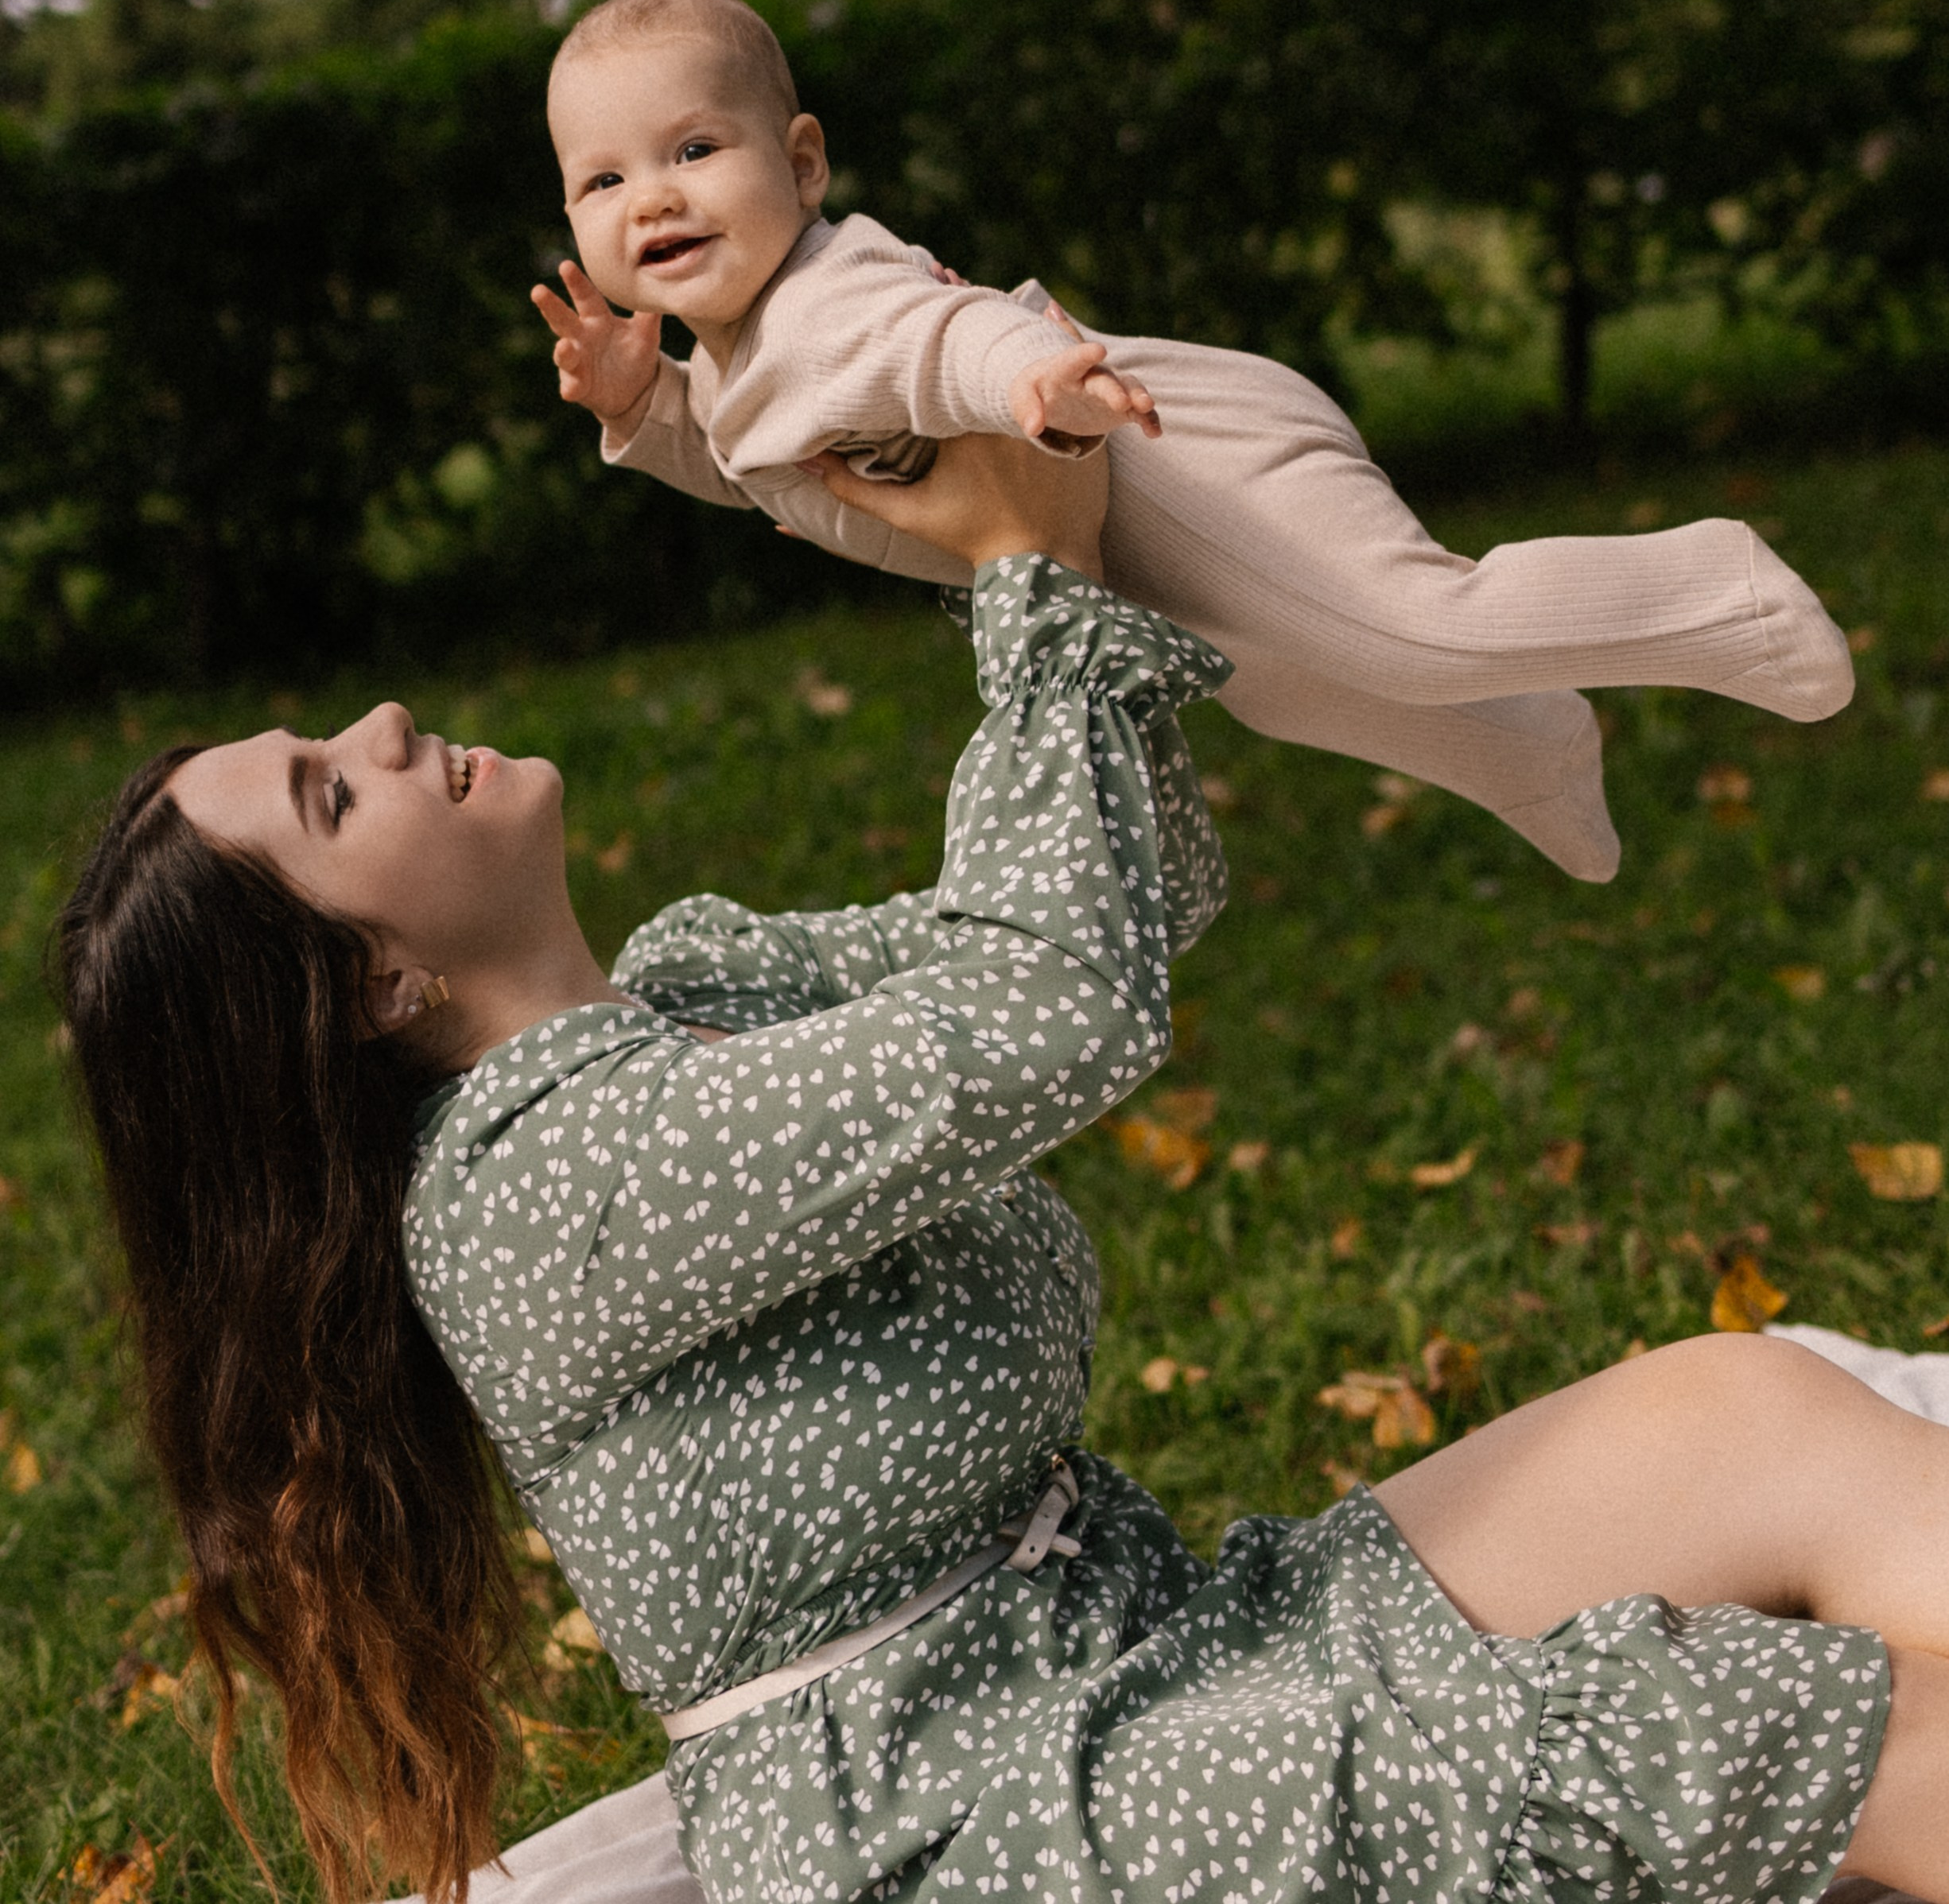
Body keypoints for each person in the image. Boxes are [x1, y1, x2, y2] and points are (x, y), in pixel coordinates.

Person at [58, 432, 1949, 1904]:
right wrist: (1024, 570)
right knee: (1738, 1724)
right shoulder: (546, 1194)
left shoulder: (695, 982)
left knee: (1744, 1409)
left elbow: (1098, 907)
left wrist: (1012, 497)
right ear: (371, 982)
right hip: (981, 1828)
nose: (380, 726)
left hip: (1137, 1646)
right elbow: (1051, 1004)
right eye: (329, 791)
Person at [531, 0, 1854, 890]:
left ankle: (1716, 592)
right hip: (1119, 521)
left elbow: (943, 341)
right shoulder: (747, 358)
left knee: (1405, 625)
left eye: (694, 149)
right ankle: (1532, 745)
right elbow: (767, 469)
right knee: (1287, 685)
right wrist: (646, 410)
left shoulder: (830, 300)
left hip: (1180, 455)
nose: (652, 196)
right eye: (605, 180)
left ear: (803, 165)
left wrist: (1035, 379)